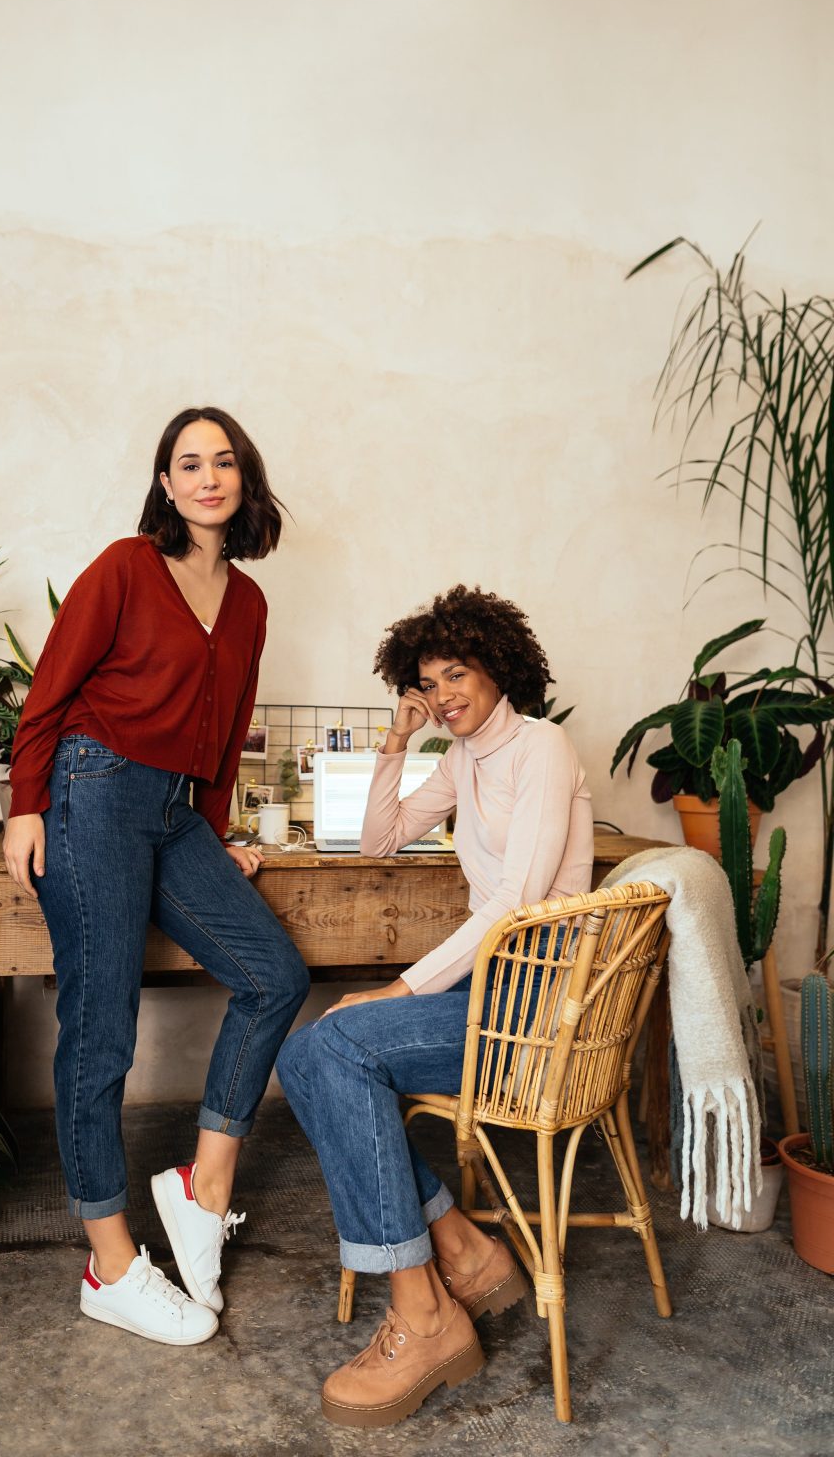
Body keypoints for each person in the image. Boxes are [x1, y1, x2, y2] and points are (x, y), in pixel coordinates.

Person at [3, 407, 310, 1347]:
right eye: (190, 463)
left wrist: (211, 836)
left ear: (245, 480)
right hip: (91, 792)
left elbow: (223, 733)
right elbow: (51, 685)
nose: (208, 477)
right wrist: (26, 804)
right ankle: (112, 1264)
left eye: (224, 462)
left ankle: (201, 1186)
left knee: (273, 974)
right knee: (102, 1032)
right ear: (166, 484)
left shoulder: (250, 603)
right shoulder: (127, 568)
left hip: (175, 811)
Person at [277, 585, 593, 1427]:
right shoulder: (461, 759)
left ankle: (424, 1313)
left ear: (499, 667)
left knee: (331, 1044)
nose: (446, 694)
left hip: (538, 1009)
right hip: (493, 994)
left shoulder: (542, 748)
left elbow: (515, 902)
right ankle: (459, 1253)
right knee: (308, 1050)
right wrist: (396, 743)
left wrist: (401, 985)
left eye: (459, 674)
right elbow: (377, 839)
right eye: (430, 682)